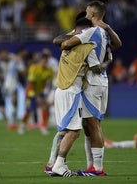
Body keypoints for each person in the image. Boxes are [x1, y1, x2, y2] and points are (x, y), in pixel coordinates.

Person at [59, 1, 122, 176]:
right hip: (101, 82)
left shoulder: (90, 31)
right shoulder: (103, 32)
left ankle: (98, 169)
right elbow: (118, 45)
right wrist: (108, 27)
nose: (85, 15)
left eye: (87, 12)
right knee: (90, 126)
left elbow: (65, 44)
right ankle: (91, 167)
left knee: (93, 126)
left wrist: (70, 37)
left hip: (92, 83)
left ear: (93, 15)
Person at [45, 11, 96, 177]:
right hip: (72, 91)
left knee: (63, 131)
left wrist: (73, 33)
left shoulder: (66, 42)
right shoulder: (87, 46)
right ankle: (59, 165)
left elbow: (57, 41)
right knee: (74, 131)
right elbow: (96, 68)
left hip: (60, 90)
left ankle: (51, 164)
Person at [18, 53, 54, 135]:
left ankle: (43, 127)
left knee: (44, 107)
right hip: (30, 92)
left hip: (40, 92)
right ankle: (22, 125)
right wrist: (38, 97)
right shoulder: (34, 68)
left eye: (46, 61)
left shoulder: (49, 70)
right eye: (43, 60)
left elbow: (50, 83)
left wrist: (47, 94)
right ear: (40, 60)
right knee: (29, 109)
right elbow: (31, 83)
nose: (44, 62)